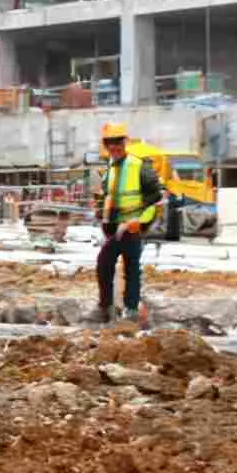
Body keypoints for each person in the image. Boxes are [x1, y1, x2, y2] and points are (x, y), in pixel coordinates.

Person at [93, 123, 163, 326]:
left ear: (124, 142)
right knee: (104, 264)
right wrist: (101, 215)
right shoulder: (110, 169)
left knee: (131, 268)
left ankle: (130, 309)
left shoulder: (139, 166)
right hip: (114, 227)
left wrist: (140, 223)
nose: (113, 147)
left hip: (131, 227)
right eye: (109, 143)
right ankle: (106, 306)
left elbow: (155, 198)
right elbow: (106, 196)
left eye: (117, 142)